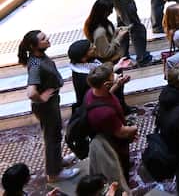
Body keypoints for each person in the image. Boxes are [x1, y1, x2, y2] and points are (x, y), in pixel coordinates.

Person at [18, 31, 78, 181]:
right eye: (43, 39)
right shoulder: (36, 65)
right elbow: (31, 92)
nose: (47, 39)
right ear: (33, 46)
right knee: (52, 138)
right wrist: (42, 98)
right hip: (46, 107)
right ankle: (54, 173)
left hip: (51, 104)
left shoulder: (39, 57)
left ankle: (56, 162)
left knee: (55, 135)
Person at [83, 64, 135, 191]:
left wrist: (117, 85)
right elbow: (120, 132)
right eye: (114, 76)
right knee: (121, 169)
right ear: (106, 84)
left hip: (108, 134)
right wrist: (134, 129)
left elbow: (105, 96)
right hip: (113, 145)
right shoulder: (104, 113)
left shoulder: (91, 93)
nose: (116, 76)